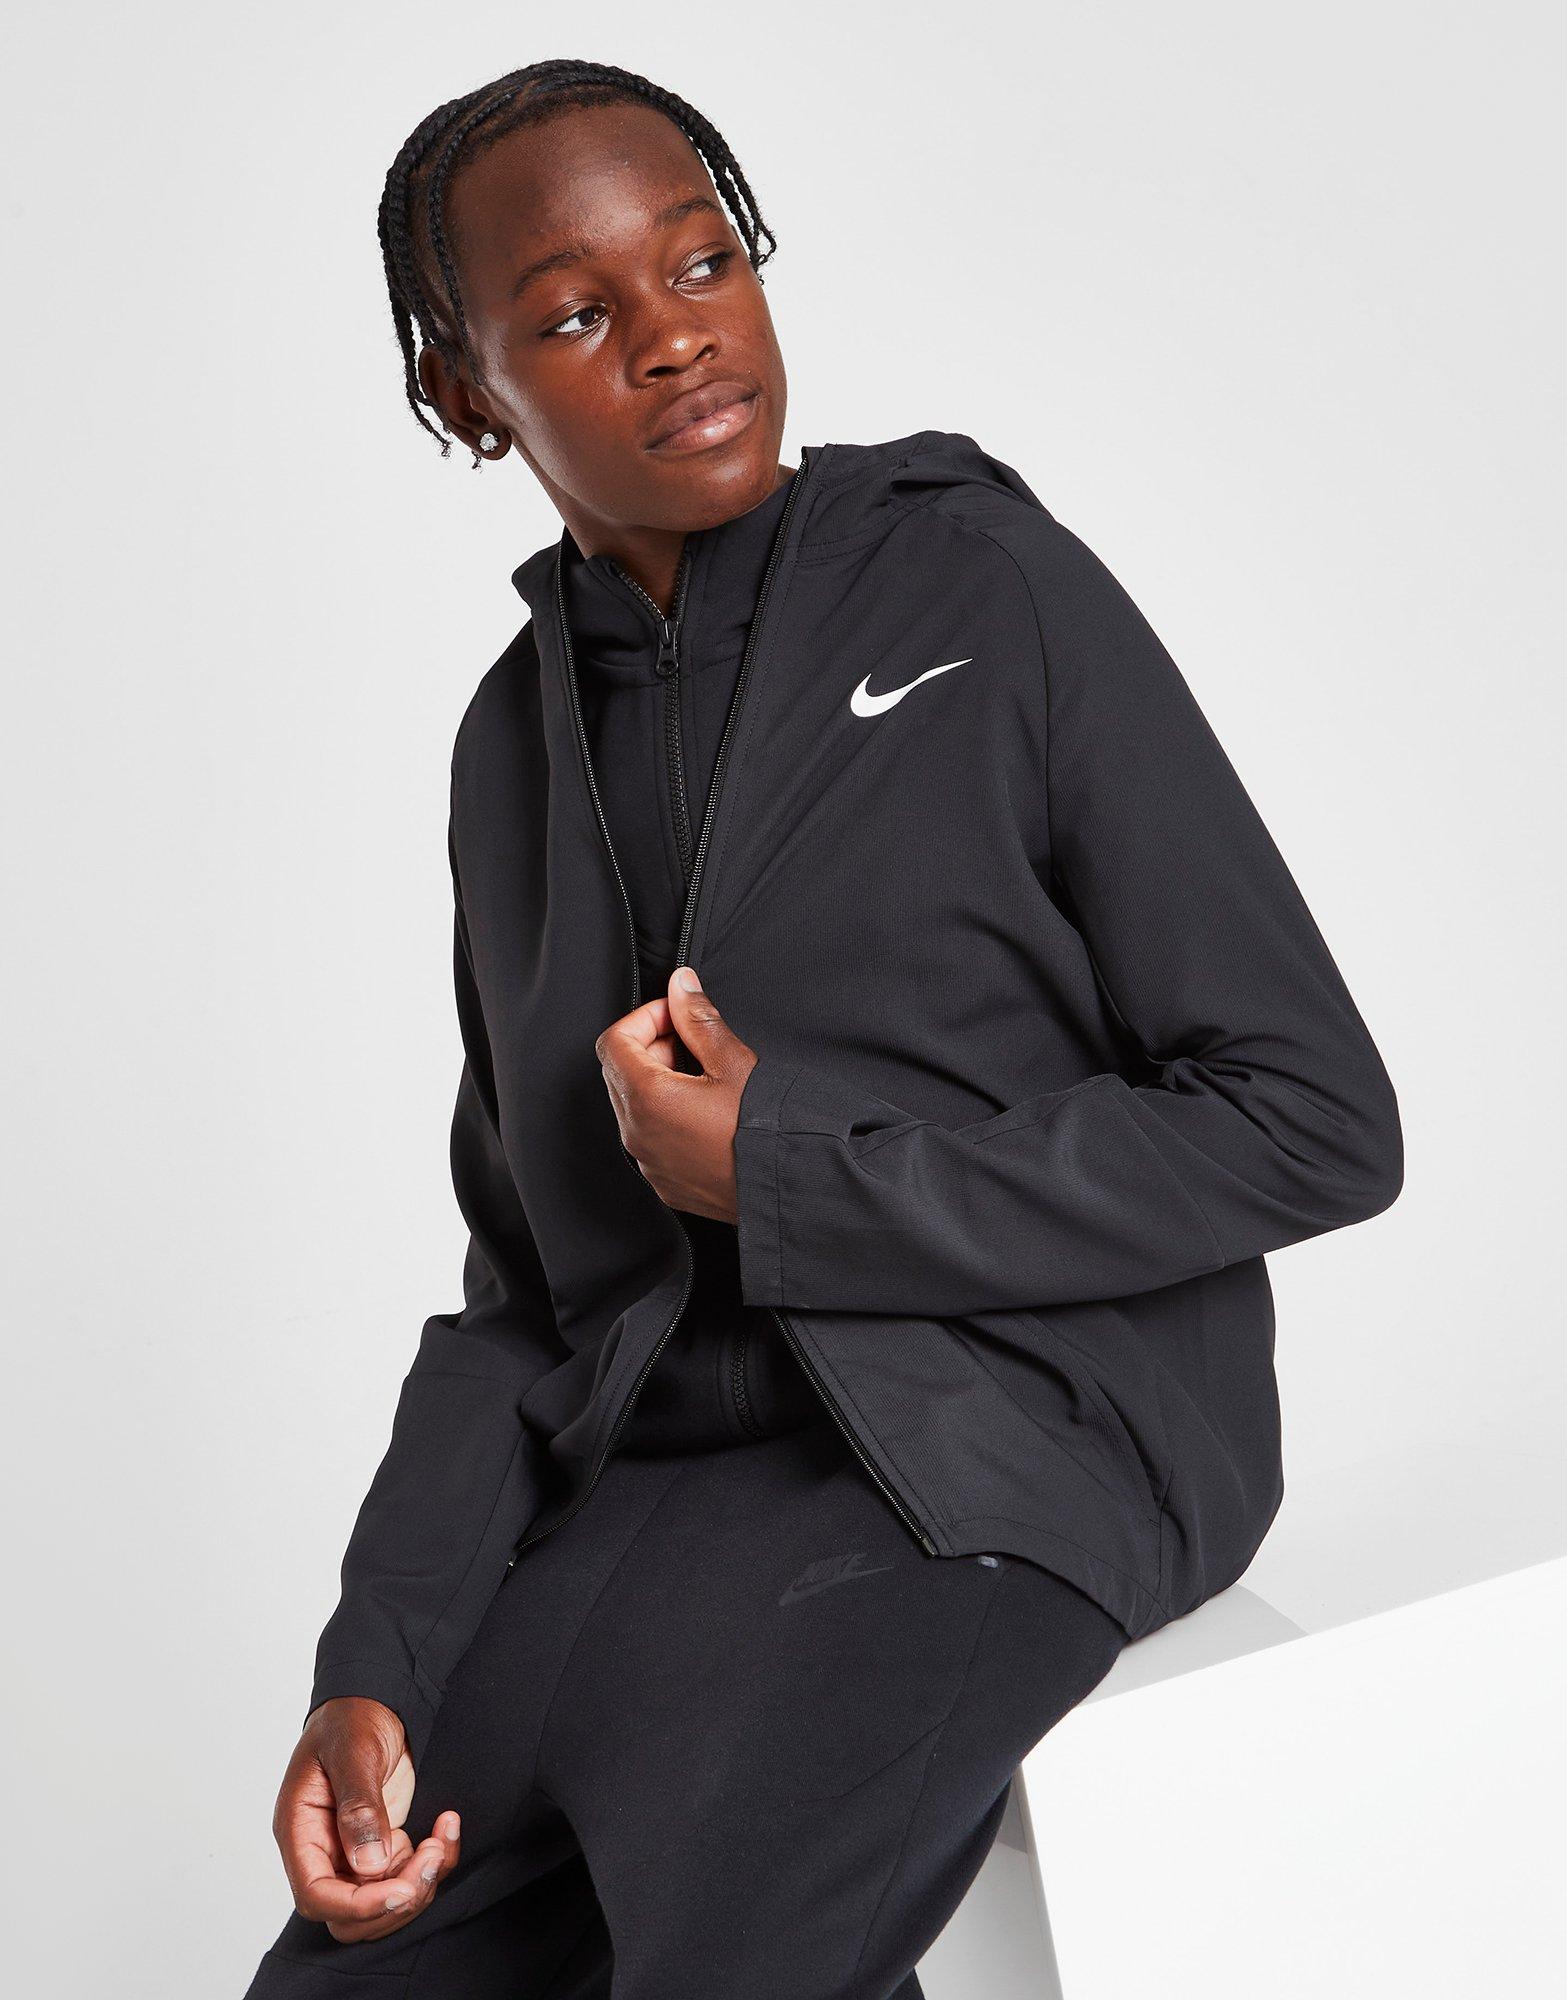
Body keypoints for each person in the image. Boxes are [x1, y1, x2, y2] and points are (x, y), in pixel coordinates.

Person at [242, 56, 1404, 1999]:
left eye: (704, 260)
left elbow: (1308, 1120)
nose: (676, 334)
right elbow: (524, 1299)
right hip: (662, 1498)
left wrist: (784, 1174)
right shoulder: (507, 749)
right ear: (465, 391)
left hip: (1007, 1450)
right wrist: (376, 1659)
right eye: (577, 314)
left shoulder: (981, 586)